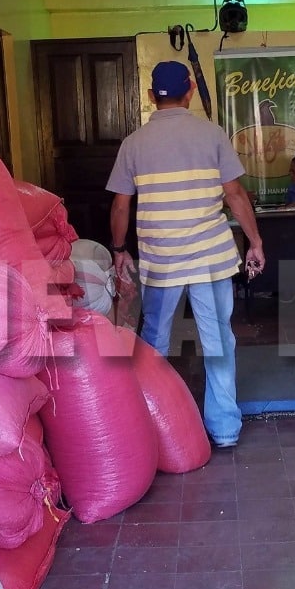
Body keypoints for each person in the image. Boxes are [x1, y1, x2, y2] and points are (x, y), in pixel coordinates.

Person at [106, 60, 265, 449]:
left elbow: (121, 206)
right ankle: (225, 429)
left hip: (162, 261)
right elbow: (235, 195)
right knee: (218, 341)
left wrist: (119, 249)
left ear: (150, 97)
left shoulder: (134, 143)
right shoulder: (212, 134)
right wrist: (255, 241)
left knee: (155, 342)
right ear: (190, 90)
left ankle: (154, 426)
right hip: (210, 257)